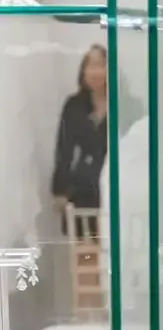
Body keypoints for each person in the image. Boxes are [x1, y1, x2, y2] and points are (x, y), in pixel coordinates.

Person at [51, 42, 107, 220]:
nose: (94, 72)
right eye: (89, 66)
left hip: (115, 186)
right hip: (82, 188)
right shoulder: (74, 105)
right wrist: (60, 190)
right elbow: (64, 149)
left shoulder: (125, 104)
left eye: (100, 65)